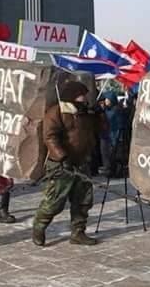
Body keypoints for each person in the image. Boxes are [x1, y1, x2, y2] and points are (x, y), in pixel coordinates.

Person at [32, 81, 105, 247]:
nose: (85, 98)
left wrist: (100, 114)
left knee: (83, 201)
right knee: (54, 201)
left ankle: (78, 232)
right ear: (72, 95)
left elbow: (102, 131)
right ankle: (39, 226)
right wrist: (62, 156)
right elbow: (50, 136)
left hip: (82, 162)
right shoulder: (57, 111)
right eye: (81, 95)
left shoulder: (86, 112)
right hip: (61, 165)